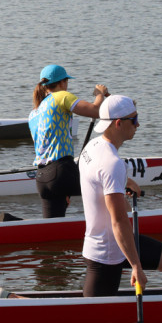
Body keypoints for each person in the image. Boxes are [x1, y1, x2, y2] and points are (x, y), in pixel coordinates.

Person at [79, 94, 162, 297]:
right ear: (118, 123)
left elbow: (99, 177)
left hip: (107, 242)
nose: (138, 124)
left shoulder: (93, 146)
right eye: (134, 120)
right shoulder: (112, 163)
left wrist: (126, 181)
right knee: (94, 321)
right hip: (108, 251)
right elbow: (118, 222)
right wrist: (136, 265)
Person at [29, 64, 108, 218]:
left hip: (42, 177)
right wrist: (100, 94)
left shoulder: (34, 112)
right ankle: (127, 227)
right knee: (110, 189)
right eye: (67, 82)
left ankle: (9, 221)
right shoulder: (61, 96)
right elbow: (96, 111)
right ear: (62, 83)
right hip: (61, 171)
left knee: (52, 230)